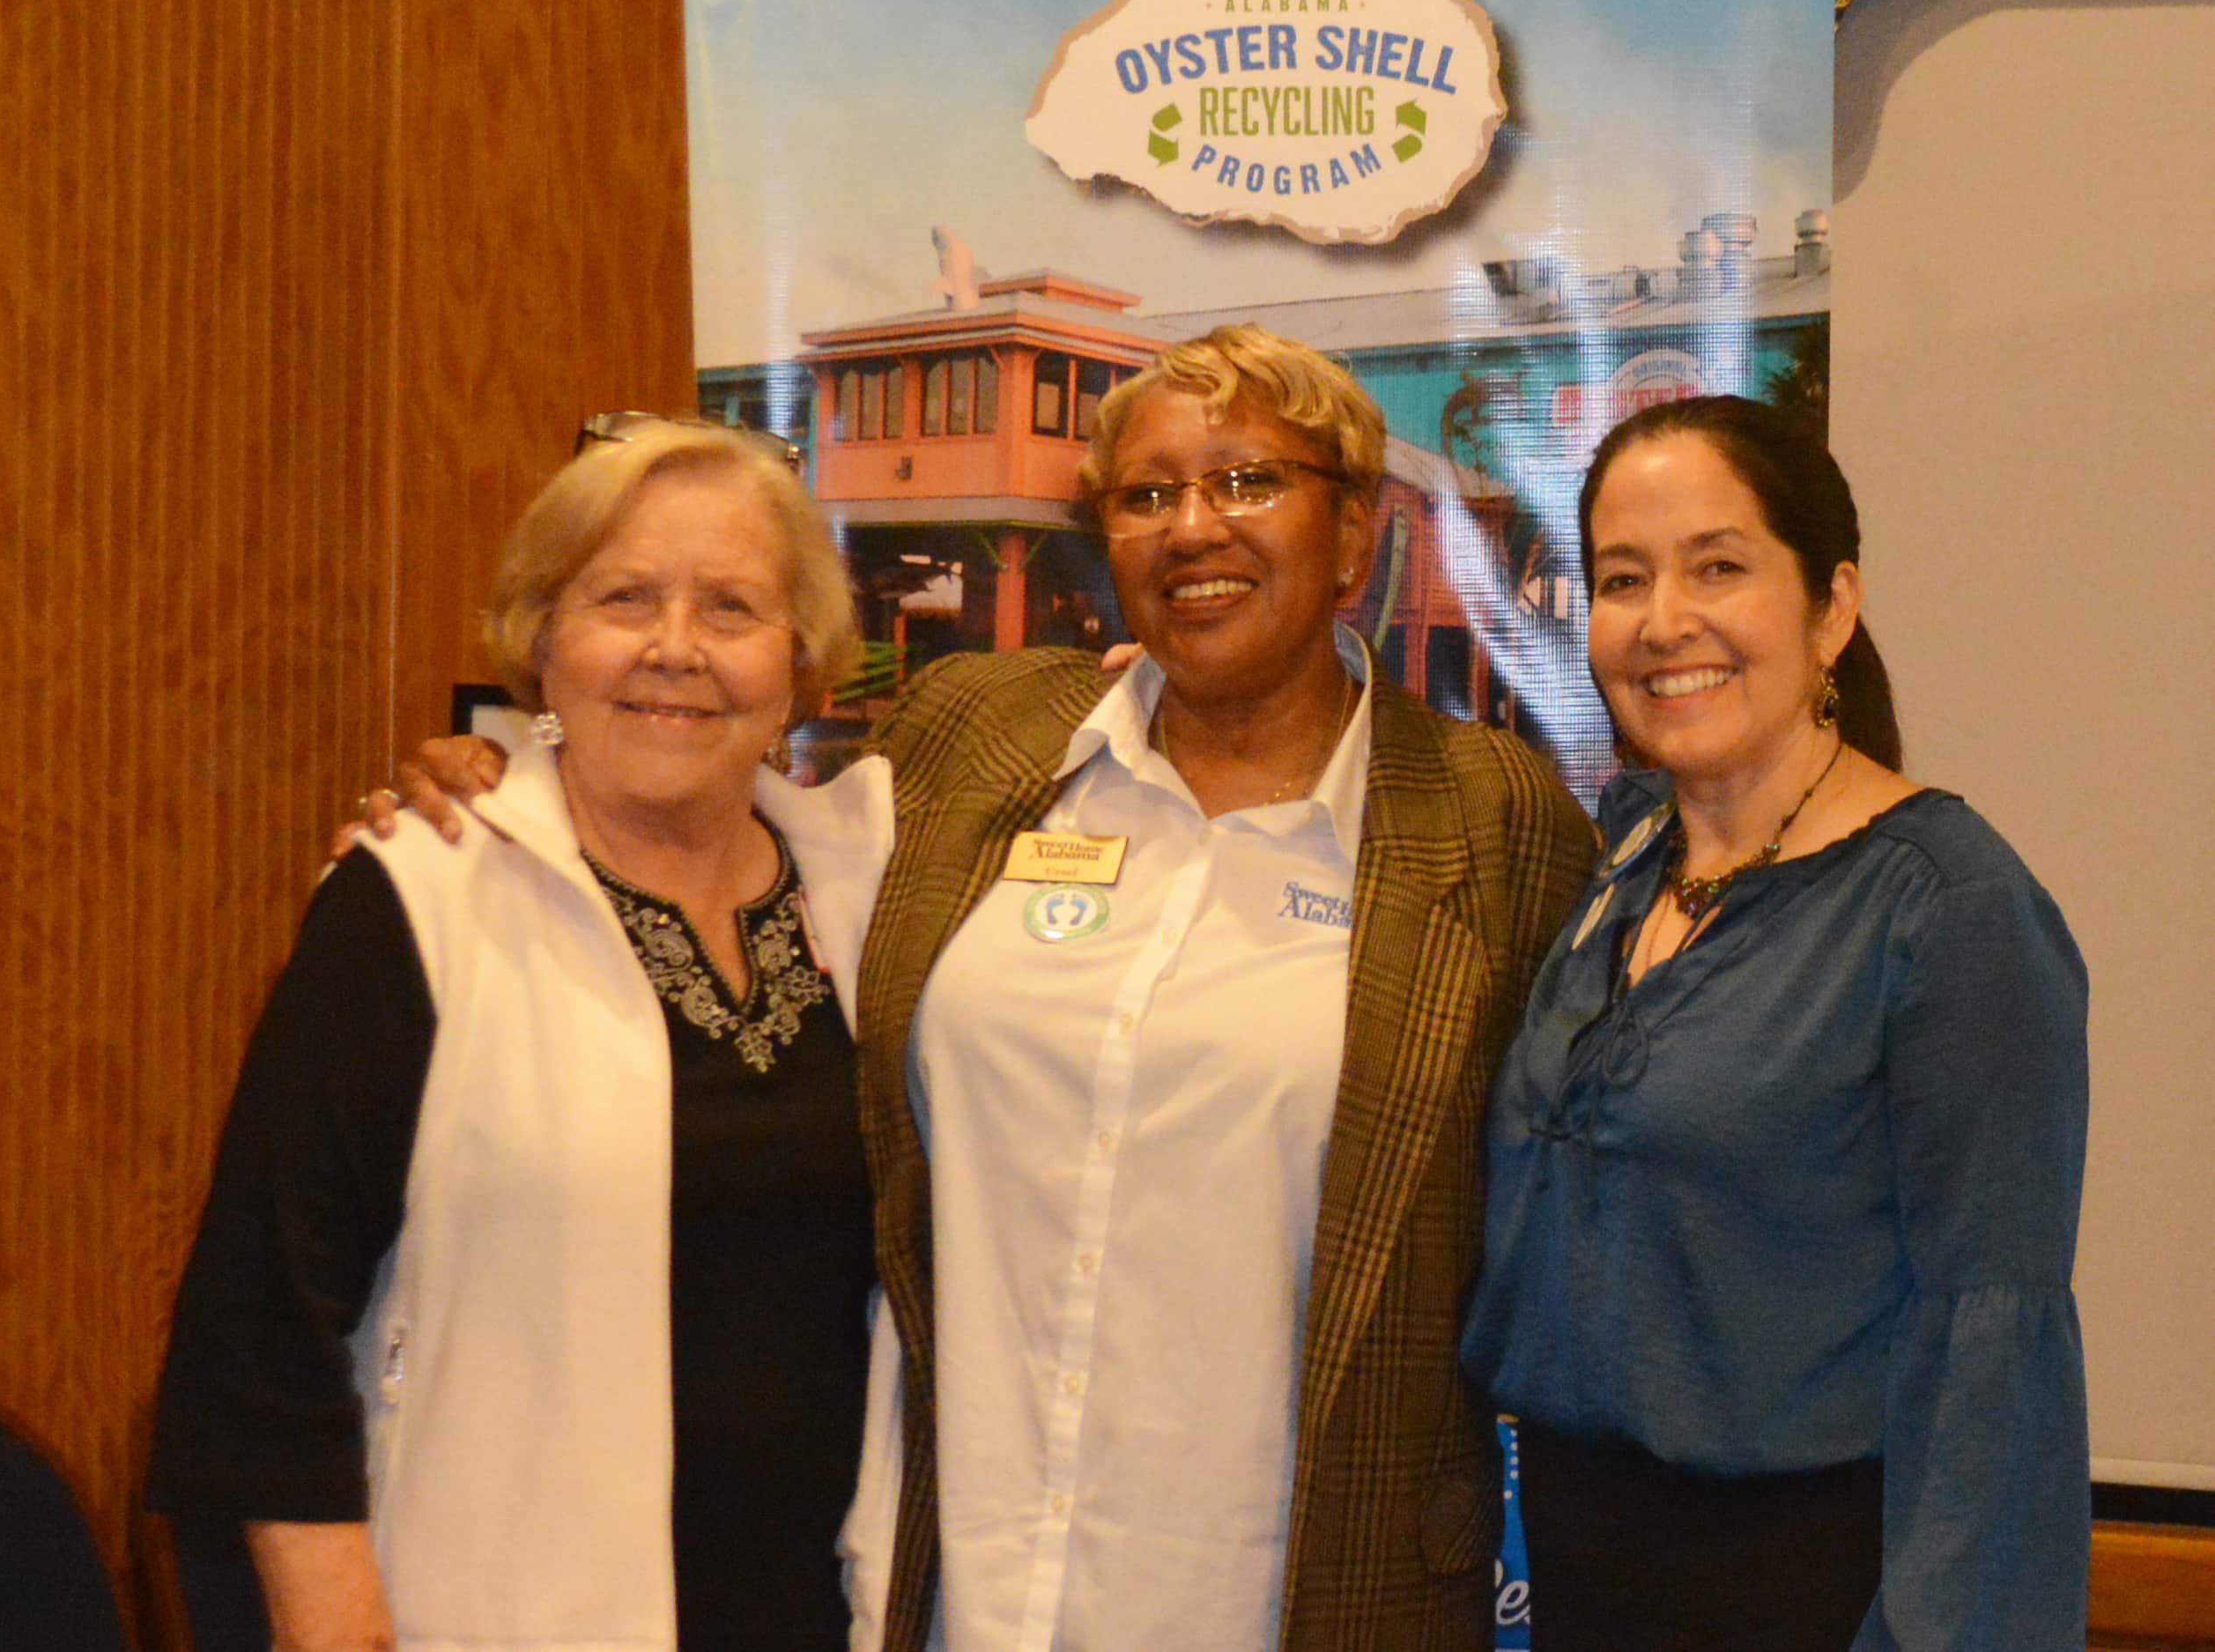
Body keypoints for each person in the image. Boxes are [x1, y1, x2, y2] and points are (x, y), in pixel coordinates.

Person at [383, 329, 1596, 1650]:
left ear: (1355, 536)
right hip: (960, 1590)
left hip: (1299, 1596)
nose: (1194, 528)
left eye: (1249, 482)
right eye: (1145, 496)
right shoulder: (981, 738)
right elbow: (715, 804)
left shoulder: (1492, 823)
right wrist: (526, 761)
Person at [148, 422, 894, 1652]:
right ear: (542, 639)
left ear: (801, 659)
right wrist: (332, 1626)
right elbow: (262, 1317)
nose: (675, 649)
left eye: (732, 607)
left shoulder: (878, 894)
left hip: (822, 1611)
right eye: (624, 598)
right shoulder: (421, 892)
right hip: (491, 1608)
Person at [1460, 396, 2091, 1651]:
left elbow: (1992, 1367)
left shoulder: (1950, 911)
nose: (1664, 621)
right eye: (1625, 579)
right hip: (1558, 1580)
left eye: (1721, 567)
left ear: (1833, 605)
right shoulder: (1625, 858)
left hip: (1798, 1593)